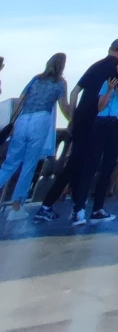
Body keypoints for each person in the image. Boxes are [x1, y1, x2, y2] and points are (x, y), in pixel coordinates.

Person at [36, 37, 118, 223]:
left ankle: (72, 206)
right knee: (81, 165)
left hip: (81, 119)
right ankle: (51, 205)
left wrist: (73, 117)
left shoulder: (95, 66)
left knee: (76, 163)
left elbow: (74, 92)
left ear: (110, 48)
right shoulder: (115, 70)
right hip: (97, 121)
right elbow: (110, 99)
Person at [0, 54, 70, 216]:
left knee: (10, 163)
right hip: (41, 120)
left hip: (23, 119)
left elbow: (20, 101)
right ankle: (17, 206)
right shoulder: (60, 83)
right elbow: (63, 105)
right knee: (29, 165)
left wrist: (12, 123)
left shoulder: (36, 79)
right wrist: (73, 120)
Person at [81, 51, 118, 223]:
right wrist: (108, 90)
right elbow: (100, 106)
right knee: (92, 164)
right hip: (101, 122)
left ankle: (98, 208)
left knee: (108, 166)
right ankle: (79, 207)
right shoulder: (109, 80)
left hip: (117, 122)